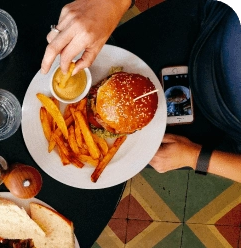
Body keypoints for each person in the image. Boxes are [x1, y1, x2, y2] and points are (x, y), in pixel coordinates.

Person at [42, 0, 240, 182]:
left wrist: (196, 157)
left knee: (143, 155)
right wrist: (112, 4)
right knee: (108, 43)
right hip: (205, 20)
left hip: (219, 125)